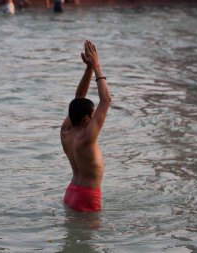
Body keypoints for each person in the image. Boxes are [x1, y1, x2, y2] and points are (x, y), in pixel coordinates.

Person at [61, 41, 111, 212]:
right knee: (91, 238)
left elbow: (78, 98)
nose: (95, 116)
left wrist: (88, 68)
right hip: (88, 196)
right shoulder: (87, 137)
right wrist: (97, 66)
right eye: (92, 115)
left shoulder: (66, 131)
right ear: (85, 120)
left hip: (71, 192)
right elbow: (106, 100)